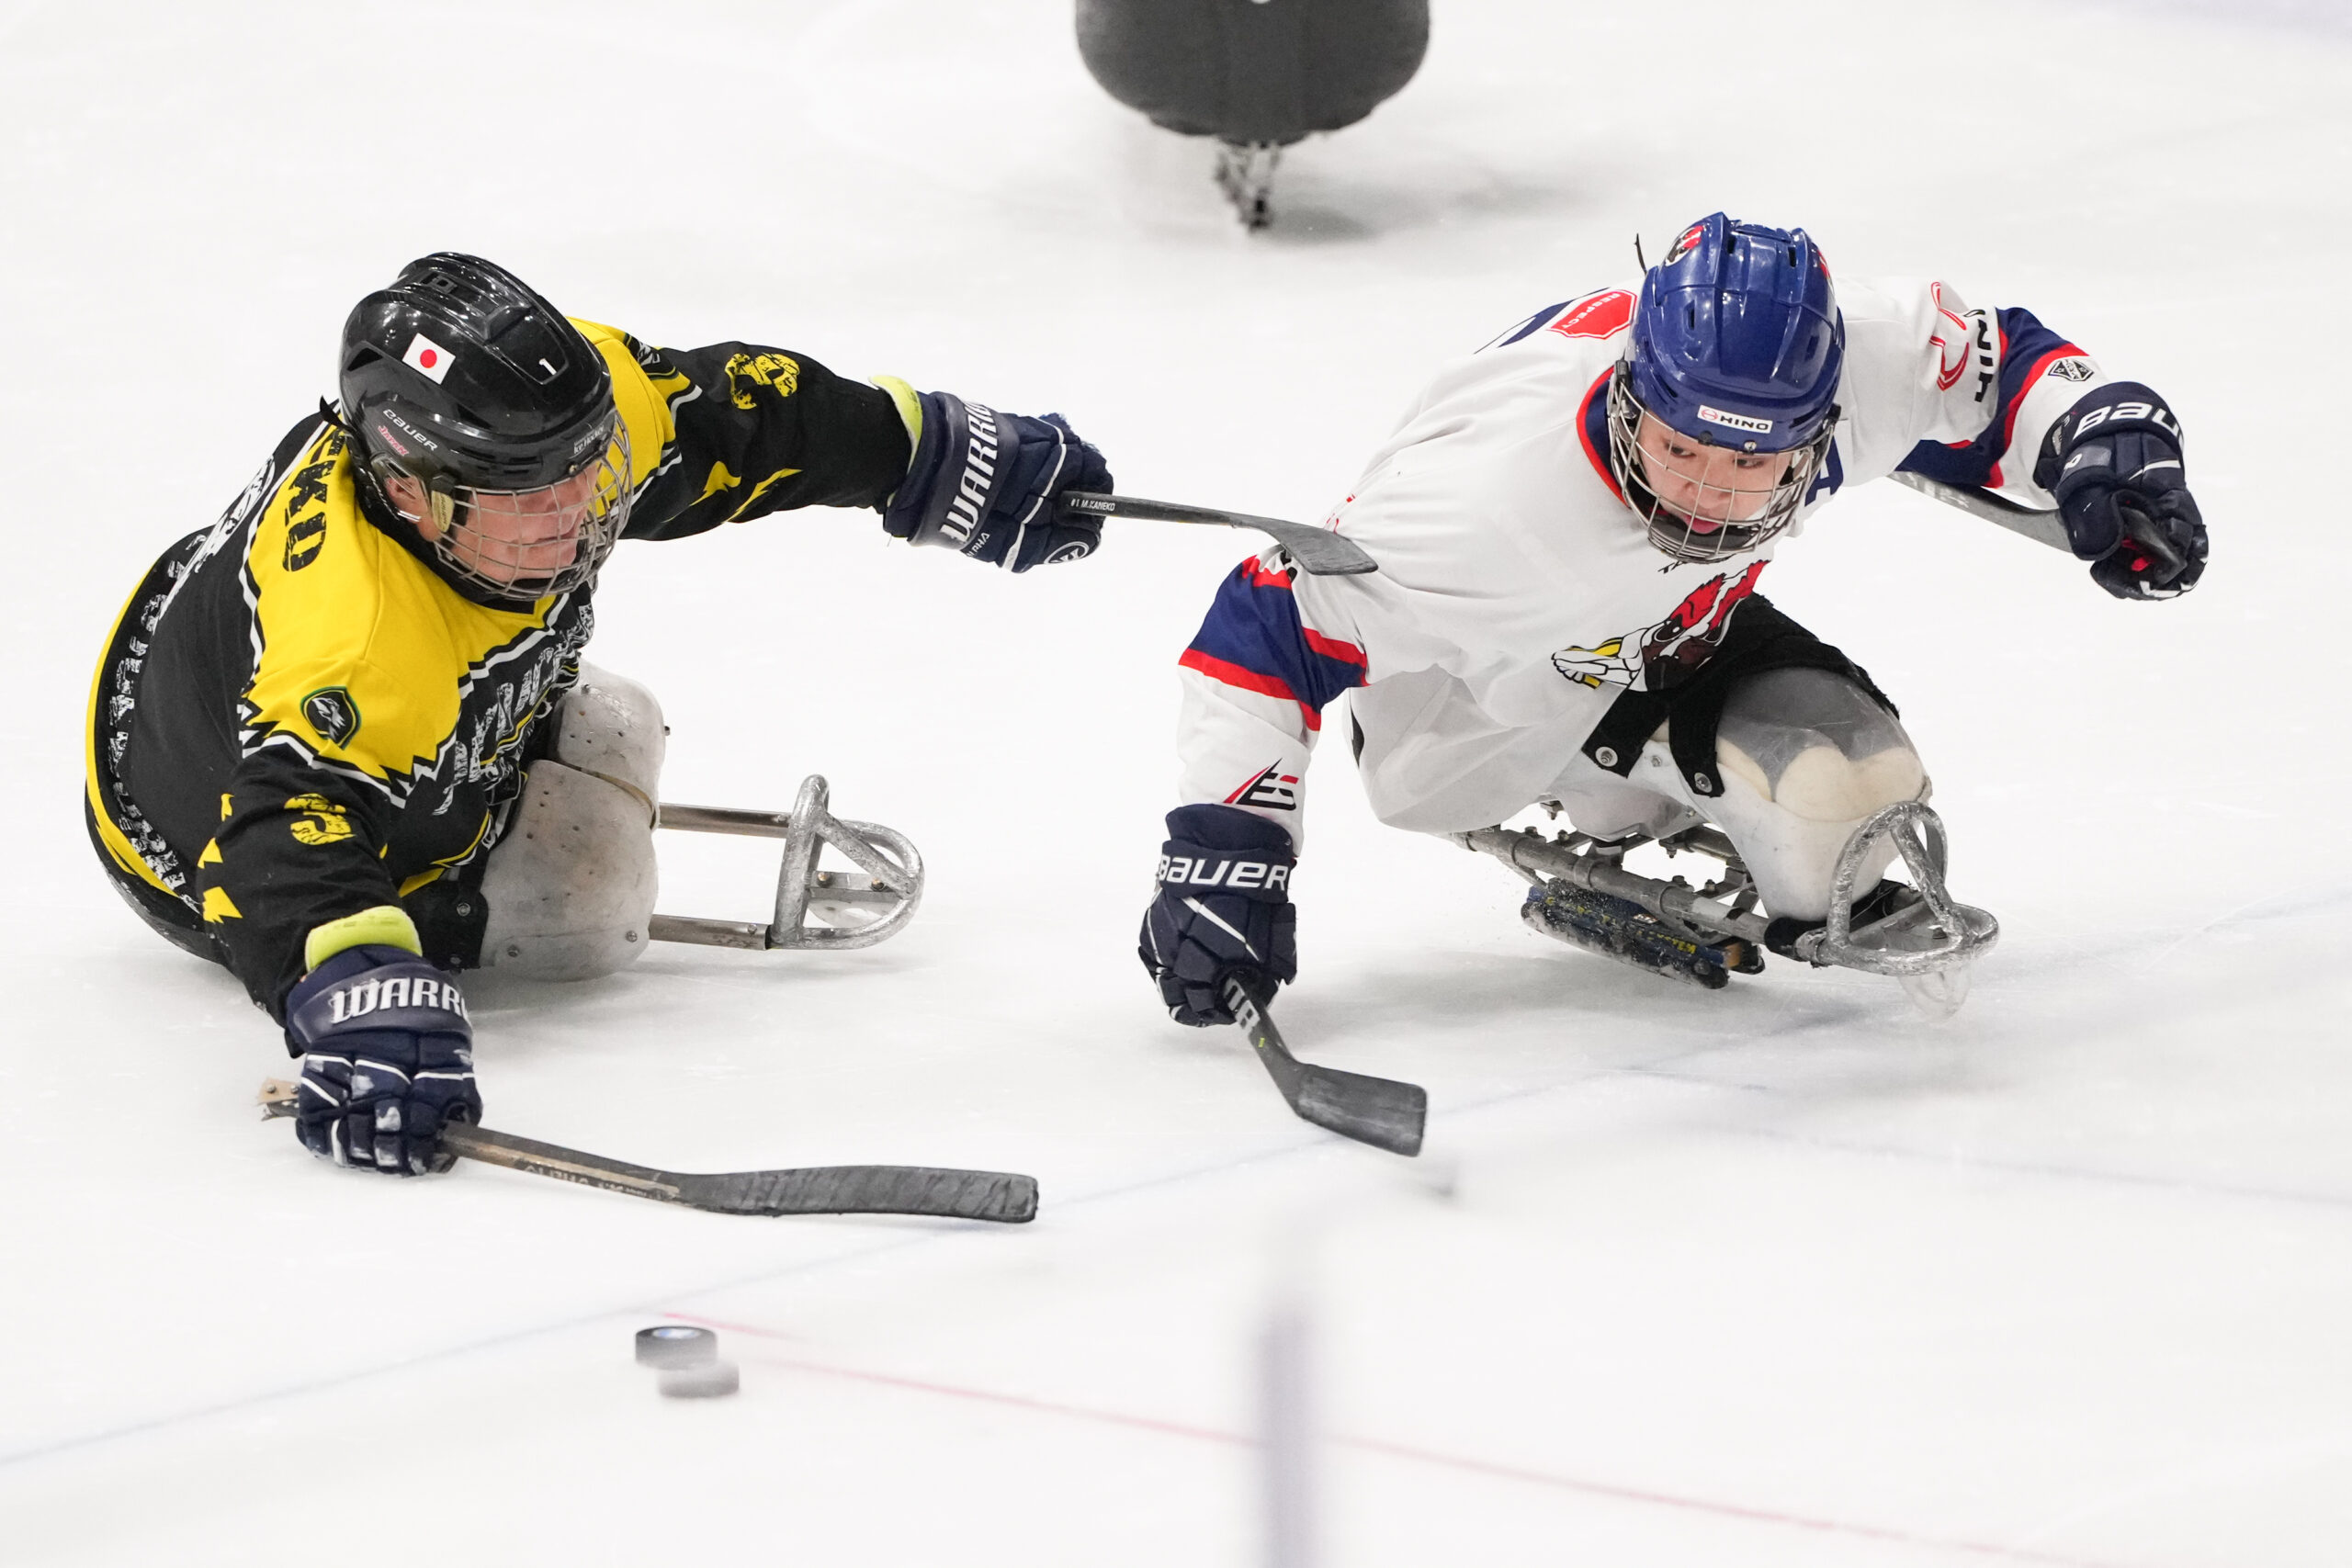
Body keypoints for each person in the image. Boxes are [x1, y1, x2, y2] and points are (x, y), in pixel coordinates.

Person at [86, 252, 1111, 1175]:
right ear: (407, 489)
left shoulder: (568, 429)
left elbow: (742, 415)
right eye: (521, 495)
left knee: (616, 722)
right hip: (188, 830)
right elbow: (274, 834)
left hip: (233, 675)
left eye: (582, 471)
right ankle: (446, 877)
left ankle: (465, 788)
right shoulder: (356, 642)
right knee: (587, 889)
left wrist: (928, 454)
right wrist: (361, 990)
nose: (572, 514)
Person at [1139, 212, 2206, 1025]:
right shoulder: (1485, 518)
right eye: (1680, 447)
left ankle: (1648, 733)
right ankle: (1590, 773)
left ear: (1821, 418)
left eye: (1752, 461)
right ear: (1628, 390)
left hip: (1657, 617)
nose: (1706, 496)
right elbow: (1267, 623)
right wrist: (1225, 853)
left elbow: (2001, 363)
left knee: (1855, 787)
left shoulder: (1858, 357)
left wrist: (2109, 440)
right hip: (1474, 700)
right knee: (1823, 799)